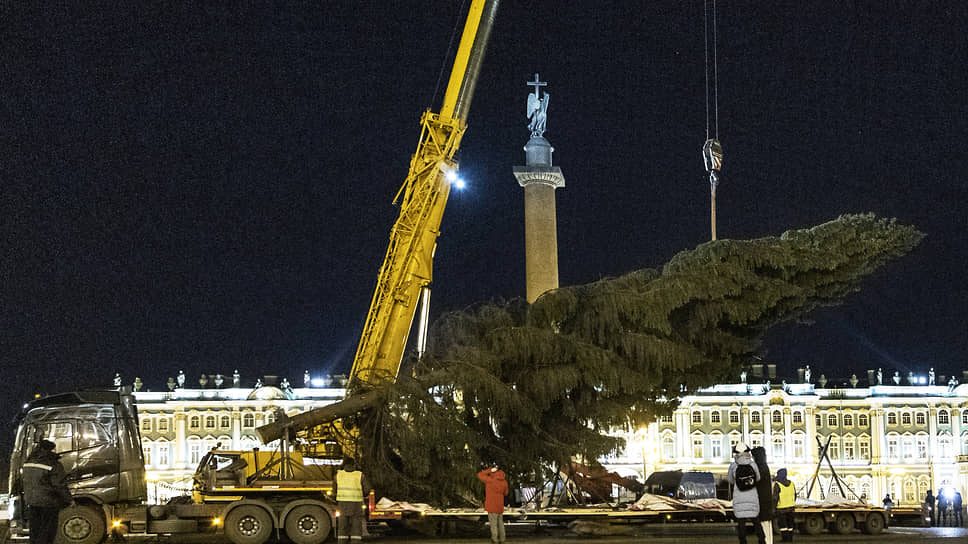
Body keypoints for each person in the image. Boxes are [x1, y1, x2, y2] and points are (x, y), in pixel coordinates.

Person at [23, 439, 72, 544]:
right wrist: (69, 500)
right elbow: (59, 485)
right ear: (50, 450)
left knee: (35, 531)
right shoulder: (52, 463)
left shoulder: (28, 462)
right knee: (47, 532)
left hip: (31, 502)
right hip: (49, 503)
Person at [728, 442, 765, 544]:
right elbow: (758, 478)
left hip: (739, 497)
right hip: (752, 495)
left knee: (741, 523)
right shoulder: (753, 464)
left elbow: (730, 480)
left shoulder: (733, 465)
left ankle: (743, 541)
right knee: (756, 522)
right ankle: (762, 540)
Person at [334, 458, 371, 542]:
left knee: (342, 525)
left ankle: (342, 542)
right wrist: (364, 495)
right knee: (356, 524)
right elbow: (367, 489)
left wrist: (335, 499)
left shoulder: (338, 475)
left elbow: (334, 490)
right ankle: (356, 541)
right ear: (354, 465)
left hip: (342, 503)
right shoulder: (360, 475)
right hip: (356, 503)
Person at [478, 464, 509, 544]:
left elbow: (480, 474)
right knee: (500, 523)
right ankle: (502, 539)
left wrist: (489, 470)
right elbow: (506, 493)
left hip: (491, 504)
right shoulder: (504, 482)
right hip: (500, 505)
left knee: (493, 524)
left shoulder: (490, 480)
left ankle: (495, 539)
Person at [751, 446, 774, 544]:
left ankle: (766, 542)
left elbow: (755, 482)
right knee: (767, 525)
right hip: (766, 502)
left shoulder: (760, 467)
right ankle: (768, 542)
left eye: (754, 457)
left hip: (762, 502)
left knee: (764, 526)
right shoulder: (764, 466)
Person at [773, 469, 796, 542]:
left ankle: (785, 539)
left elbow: (775, 498)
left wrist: (773, 508)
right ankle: (790, 539)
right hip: (791, 508)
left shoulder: (778, 484)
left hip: (781, 509)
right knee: (790, 525)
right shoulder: (792, 483)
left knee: (783, 525)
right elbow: (795, 495)